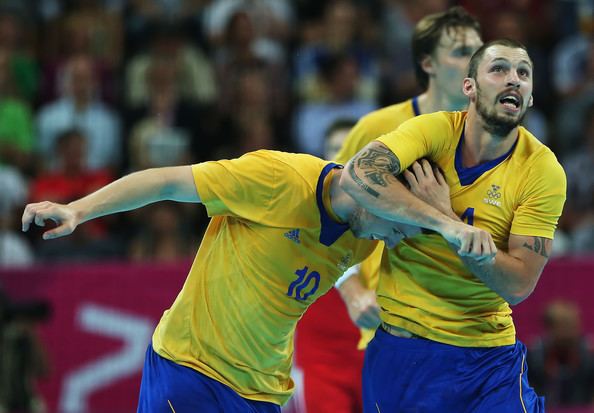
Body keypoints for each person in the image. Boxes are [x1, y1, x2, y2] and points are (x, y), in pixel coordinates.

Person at [21, 150, 488, 412]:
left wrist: (443, 216)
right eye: (398, 225)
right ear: (378, 196)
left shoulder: (367, 237)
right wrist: (79, 210)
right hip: (191, 368)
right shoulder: (277, 179)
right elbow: (166, 182)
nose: (396, 238)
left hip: (262, 393)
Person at [340, 39, 567, 412]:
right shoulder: (433, 132)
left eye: (523, 74)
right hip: (406, 350)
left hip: (488, 359)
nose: (513, 79)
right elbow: (357, 175)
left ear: (529, 98)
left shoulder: (542, 170)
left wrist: (448, 216)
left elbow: (518, 285)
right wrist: (446, 225)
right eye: (499, 69)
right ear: (469, 87)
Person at [334, 5, 483, 347]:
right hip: (395, 327)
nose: (476, 62)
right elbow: (323, 217)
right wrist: (353, 291)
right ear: (427, 63)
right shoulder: (377, 129)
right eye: (462, 52)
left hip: (473, 330)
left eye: (479, 51)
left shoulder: (496, 137)